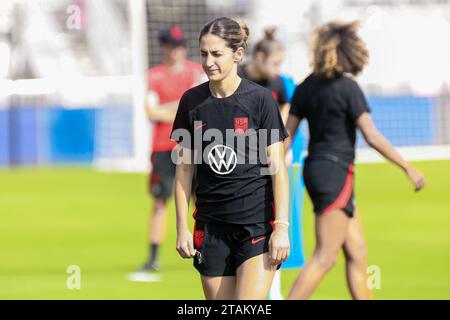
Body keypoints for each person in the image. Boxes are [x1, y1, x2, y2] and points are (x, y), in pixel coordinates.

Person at [285, 21, 426, 300]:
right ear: (348, 52)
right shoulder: (348, 88)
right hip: (335, 173)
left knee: (357, 252)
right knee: (325, 257)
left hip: (317, 169)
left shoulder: (305, 87)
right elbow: (371, 135)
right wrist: (407, 167)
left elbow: (285, 136)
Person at [170, 17, 290, 300]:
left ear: (237, 54)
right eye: (203, 54)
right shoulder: (191, 102)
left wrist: (282, 228)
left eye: (216, 54)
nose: (208, 61)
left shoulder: (260, 100)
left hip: (256, 227)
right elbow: (184, 172)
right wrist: (181, 227)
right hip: (211, 230)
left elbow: (278, 170)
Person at [139, 26, 204, 274]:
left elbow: (196, 107)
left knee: (202, 201)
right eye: (171, 46)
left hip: (192, 144)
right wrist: (180, 105)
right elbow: (150, 111)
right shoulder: (154, 75)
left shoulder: (195, 72)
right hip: (163, 146)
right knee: (160, 200)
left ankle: (205, 246)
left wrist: (169, 110)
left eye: (179, 46)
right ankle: (153, 257)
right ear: (163, 47)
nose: (176, 51)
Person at [238, 27, 290, 122]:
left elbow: (284, 106)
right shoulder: (235, 76)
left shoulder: (277, 81)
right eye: (275, 64)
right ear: (259, 58)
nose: (278, 70)